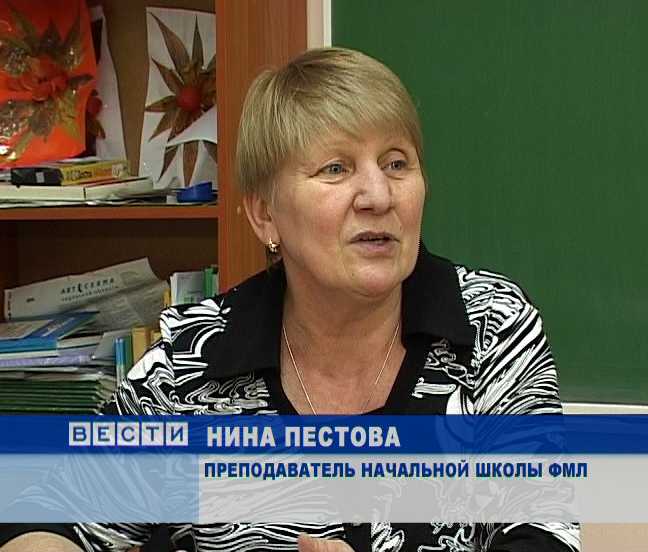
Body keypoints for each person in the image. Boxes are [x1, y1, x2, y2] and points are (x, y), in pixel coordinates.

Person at [0, 47, 580, 552]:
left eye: (397, 163)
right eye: (336, 168)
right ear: (264, 215)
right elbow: (46, 514)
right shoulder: (196, 359)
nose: (378, 195)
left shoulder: (491, 325)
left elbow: (542, 534)